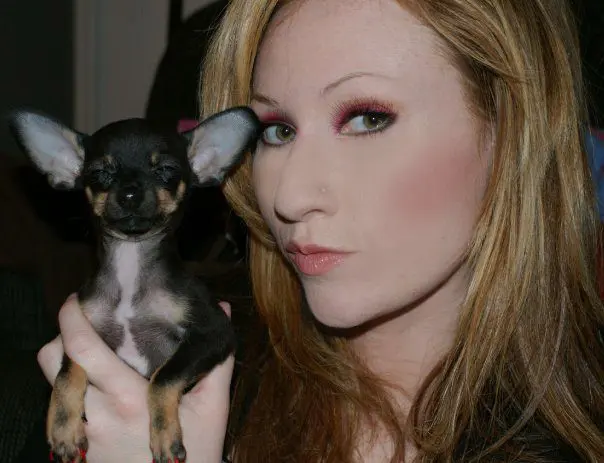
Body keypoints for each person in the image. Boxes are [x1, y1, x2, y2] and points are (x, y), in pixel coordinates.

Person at [37, 0, 604, 461]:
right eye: (277, 131)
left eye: (368, 118)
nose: (289, 196)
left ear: (509, 133)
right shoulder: (187, 360)